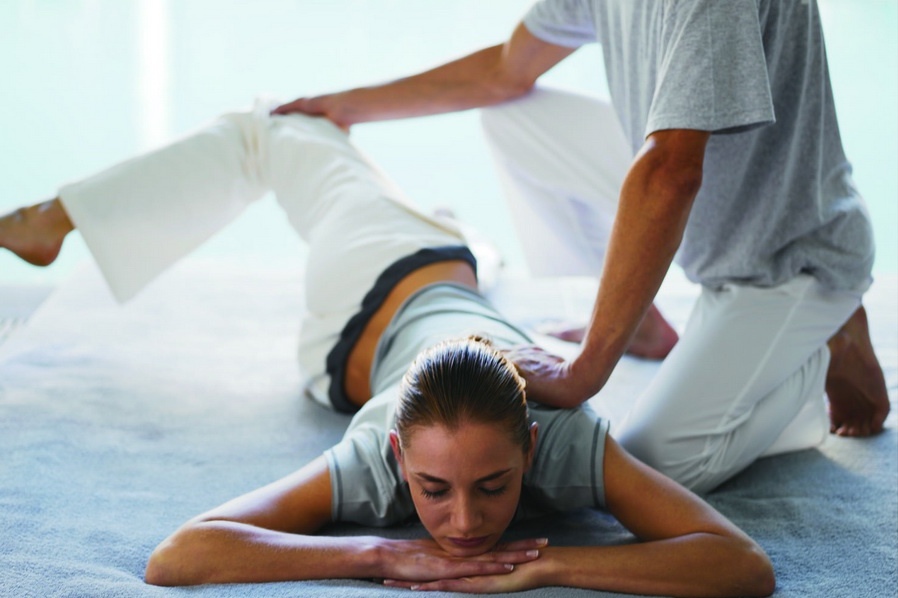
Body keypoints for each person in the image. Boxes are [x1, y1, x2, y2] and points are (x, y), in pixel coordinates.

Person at [0, 101, 774, 596]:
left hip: (388, 319)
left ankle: (53, 217)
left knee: (283, 136)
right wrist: (378, 551)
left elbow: (742, 564)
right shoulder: (374, 455)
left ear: (530, 446)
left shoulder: (566, 436)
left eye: (493, 486)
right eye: (432, 490)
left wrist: (555, 568)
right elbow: (179, 553)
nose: (465, 524)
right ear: (399, 456)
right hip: (374, 281)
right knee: (277, 127)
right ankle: (52, 218)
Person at [272, 0, 891, 492]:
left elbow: (672, 172)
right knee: (514, 119)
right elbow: (506, 69)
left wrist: (586, 368)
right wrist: (342, 106)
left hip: (786, 255)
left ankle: (819, 344)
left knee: (649, 465)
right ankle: (642, 325)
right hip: (714, 201)